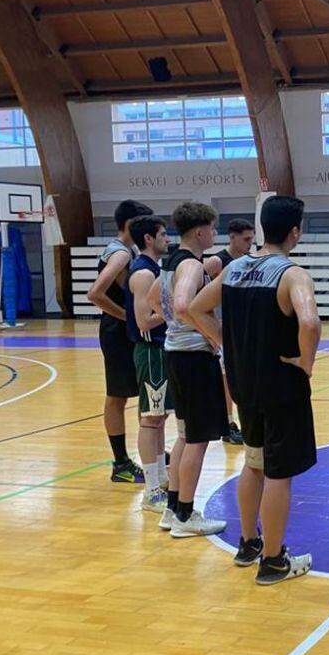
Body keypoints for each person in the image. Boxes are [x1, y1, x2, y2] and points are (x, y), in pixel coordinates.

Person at [190, 196, 319, 586]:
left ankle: (249, 543)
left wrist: (223, 343)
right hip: (281, 384)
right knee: (279, 472)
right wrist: (307, 363)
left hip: (244, 383)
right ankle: (275, 559)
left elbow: (193, 308)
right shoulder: (292, 274)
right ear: (295, 231)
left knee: (254, 461)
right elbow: (310, 322)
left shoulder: (233, 271)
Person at [149, 202, 229, 538]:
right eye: (212, 228)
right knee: (198, 440)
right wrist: (212, 336)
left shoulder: (170, 262)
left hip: (175, 354)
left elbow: (155, 299)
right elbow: (182, 305)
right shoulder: (192, 265)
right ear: (200, 231)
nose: (214, 234)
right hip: (194, 358)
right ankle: (185, 516)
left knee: (184, 435)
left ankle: (172, 509)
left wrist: (177, 325)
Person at [86, 199, 153, 484]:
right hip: (117, 331)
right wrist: (127, 316)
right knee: (117, 396)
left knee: (138, 393)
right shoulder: (121, 254)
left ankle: (152, 450)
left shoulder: (125, 250)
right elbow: (95, 294)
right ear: (130, 224)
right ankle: (121, 463)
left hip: (121, 330)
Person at [124, 215, 182, 513]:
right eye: (162, 234)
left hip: (160, 350)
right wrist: (175, 311)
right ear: (148, 238)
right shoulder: (143, 274)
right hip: (150, 350)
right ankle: (151, 492)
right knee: (150, 419)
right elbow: (143, 321)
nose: (168, 239)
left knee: (158, 418)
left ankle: (159, 481)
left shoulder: (153, 270)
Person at [205, 217, 255, 446]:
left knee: (241, 376)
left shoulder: (248, 260)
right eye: (245, 239)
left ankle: (240, 420)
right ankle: (228, 424)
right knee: (227, 378)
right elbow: (199, 294)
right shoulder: (217, 261)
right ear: (232, 237)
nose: (249, 244)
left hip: (242, 325)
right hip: (222, 326)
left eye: (251, 239)